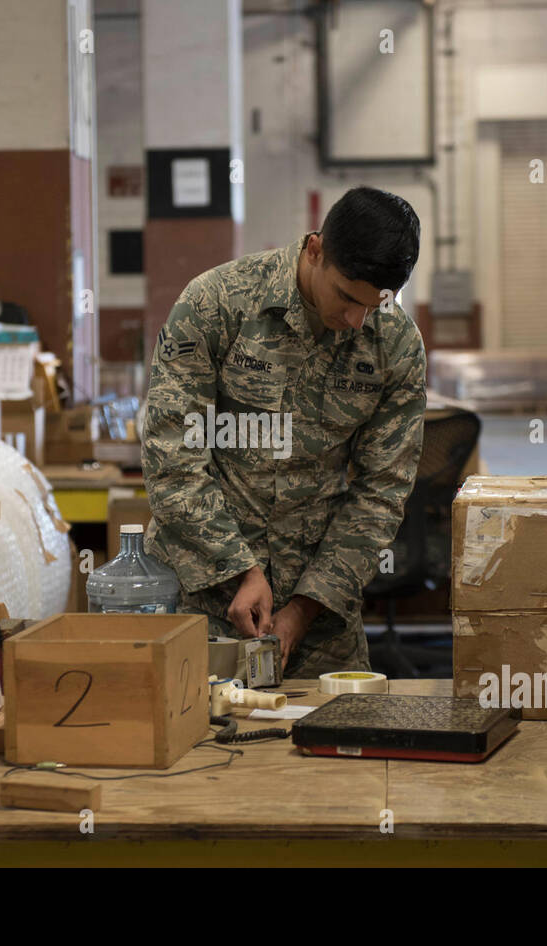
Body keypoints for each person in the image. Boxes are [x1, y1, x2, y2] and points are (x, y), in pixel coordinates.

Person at [142, 186, 426, 677]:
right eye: (345, 297)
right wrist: (240, 569)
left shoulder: (396, 345)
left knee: (328, 746)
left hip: (318, 618)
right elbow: (173, 458)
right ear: (315, 250)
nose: (355, 321)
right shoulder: (216, 303)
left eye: (374, 305)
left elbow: (381, 492)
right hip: (202, 594)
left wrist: (305, 607)